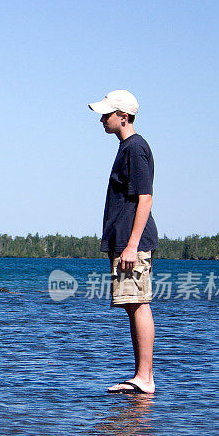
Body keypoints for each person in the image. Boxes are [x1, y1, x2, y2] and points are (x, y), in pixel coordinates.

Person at [89, 90, 158, 393]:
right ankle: (141, 375)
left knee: (138, 303)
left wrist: (131, 246)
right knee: (132, 304)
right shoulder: (126, 148)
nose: (102, 119)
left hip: (134, 242)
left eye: (107, 114)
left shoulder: (135, 148)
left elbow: (145, 198)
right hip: (125, 241)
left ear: (124, 116)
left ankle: (145, 377)